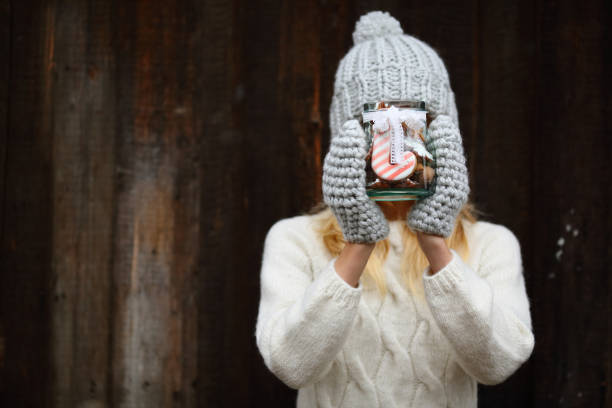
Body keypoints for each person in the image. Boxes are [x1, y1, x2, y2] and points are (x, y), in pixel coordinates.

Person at [255, 10, 535, 408]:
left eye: (412, 123)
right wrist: (357, 242)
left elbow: (499, 364)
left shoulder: (491, 244)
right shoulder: (294, 239)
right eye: (379, 124)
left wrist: (436, 245)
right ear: (349, 137)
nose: (397, 144)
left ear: (443, 134)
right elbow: (291, 366)